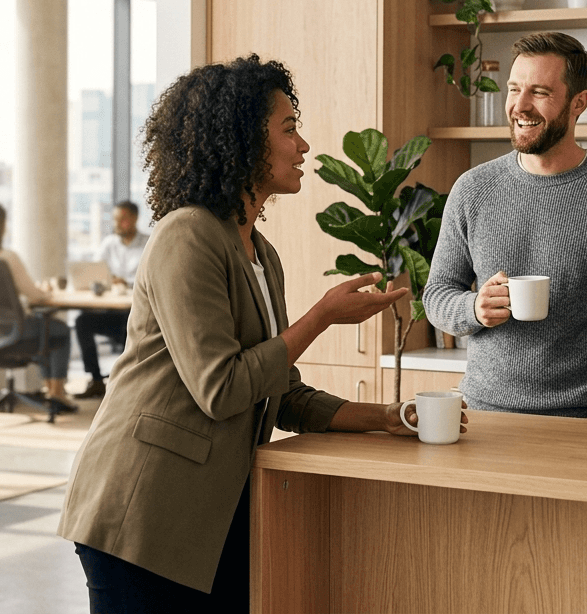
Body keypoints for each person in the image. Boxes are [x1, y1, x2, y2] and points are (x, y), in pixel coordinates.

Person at [57, 54, 465, 612]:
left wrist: (388, 417)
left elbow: (279, 391)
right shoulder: (187, 236)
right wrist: (321, 318)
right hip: (144, 507)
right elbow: (221, 387)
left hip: (214, 511)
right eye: (289, 130)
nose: (303, 147)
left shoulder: (259, 253)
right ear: (242, 142)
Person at [424, 31, 587, 420]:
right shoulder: (472, 188)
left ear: (579, 103)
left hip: (580, 423)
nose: (519, 106)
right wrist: (474, 307)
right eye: (513, 89)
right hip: (480, 419)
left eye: (538, 92)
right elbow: (437, 294)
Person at [0, 202, 77, 413]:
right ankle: (57, 393)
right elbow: (33, 295)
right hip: (13, 332)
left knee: (46, 328)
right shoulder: (7, 258)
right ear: (1, 227)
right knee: (59, 330)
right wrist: (47, 291)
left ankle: (51, 391)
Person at [72, 201, 148, 399]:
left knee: (128, 327)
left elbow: (149, 279)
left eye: (122, 219)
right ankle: (96, 380)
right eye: (115, 219)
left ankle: (127, 386)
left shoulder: (149, 243)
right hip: (110, 311)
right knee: (82, 322)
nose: (117, 224)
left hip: (135, 313)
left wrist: (128, 282)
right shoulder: (109, 244)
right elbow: (96, 273)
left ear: (134, 219)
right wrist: (105, 281)